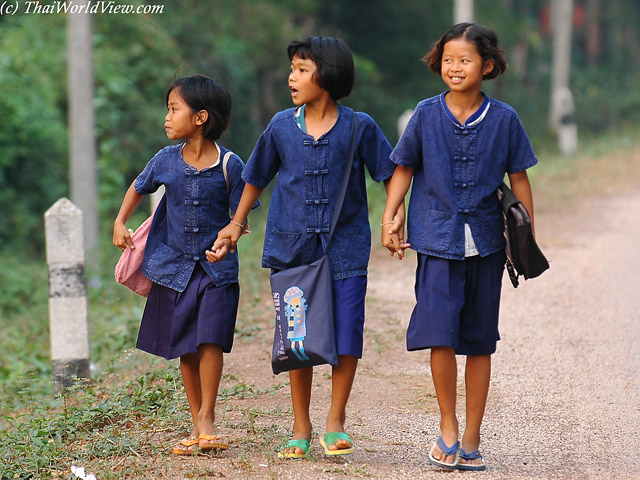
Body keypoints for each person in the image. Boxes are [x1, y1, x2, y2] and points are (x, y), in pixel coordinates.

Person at [210, 36, 403, 459]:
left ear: (327, 75)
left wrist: (392, 217)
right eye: (292, 69)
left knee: (347, 331)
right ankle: (300, 424)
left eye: (301, 69)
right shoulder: (280, 126)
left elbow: (391, 174)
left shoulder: (360, 127)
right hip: (290, 247)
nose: (292, 77)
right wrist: (235, 224)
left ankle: (336, 420)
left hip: (347, 248)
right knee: (297, 337)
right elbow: (256, 178)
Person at [381, 23, 538, 471]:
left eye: (465, 60)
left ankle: (472, 437)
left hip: (487, 244)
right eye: (449, 59)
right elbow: (404, 168)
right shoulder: (426, 115)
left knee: (480, 342)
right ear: (439, 62)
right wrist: (390, 216)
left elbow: (520, 178)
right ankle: (447, 426)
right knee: (440, 337)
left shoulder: (505, 119)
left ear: (486, 66)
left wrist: (526, 235)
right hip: (435, 240)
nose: (455, 67)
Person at [113, 74, 255, 455]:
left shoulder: (231, 164)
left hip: (216, 271)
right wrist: (119, 221)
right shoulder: (164, 160)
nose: (167, 117)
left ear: (200, 117)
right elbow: (139, 186)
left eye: (174, 109)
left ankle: (207, 420)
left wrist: (232, 235)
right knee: (186, 349)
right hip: (173, 272)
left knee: (210, 339)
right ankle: (197, 425)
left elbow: (241, 215)